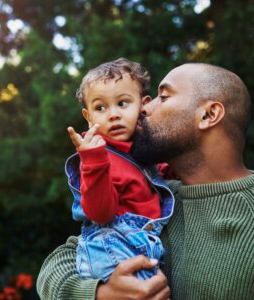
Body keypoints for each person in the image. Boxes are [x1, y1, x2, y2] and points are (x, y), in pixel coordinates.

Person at [36, 62, 254, 300]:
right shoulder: (157, 194)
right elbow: (59, 262)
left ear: (208, 114)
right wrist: (100, 294)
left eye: (163, 96)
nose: (143, 109)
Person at [65, 58, 175, 282]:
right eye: (100, 108)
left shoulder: (139, 151)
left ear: (143, 105)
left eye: (122, 103)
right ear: (88, 117)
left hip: (141, 244)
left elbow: (157, 176)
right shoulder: (97, 156)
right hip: (114, 248)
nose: (112, 114)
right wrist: (93, 162)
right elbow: (100, 213)